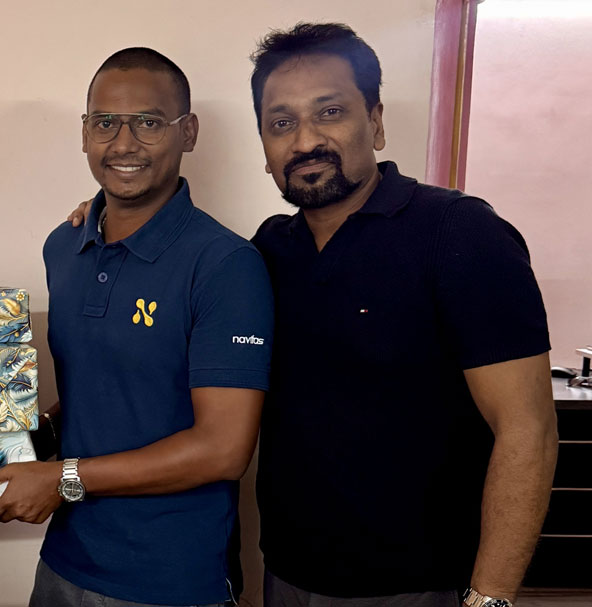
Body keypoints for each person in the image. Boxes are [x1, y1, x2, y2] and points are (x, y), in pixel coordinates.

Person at [68, 23, 557, 607]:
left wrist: (490, 597)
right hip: (289, 575)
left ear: (375, 121)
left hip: (422, 585)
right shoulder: (266, 252)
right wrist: (111, 215)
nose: (305, 141)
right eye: (281, 123)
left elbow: (528, 429)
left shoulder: (460, 234)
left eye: (330, 112)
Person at [0, 48, 274, 607]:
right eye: (105, 122)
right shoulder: (64, 245)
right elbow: (107, 387)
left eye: (149, 123)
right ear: (85, 132)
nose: (124, 143)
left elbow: (223, 449)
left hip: (170, 580)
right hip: (65, 561)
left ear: (188, 132)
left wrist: (62, 479)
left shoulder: (225, 265)